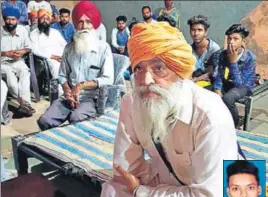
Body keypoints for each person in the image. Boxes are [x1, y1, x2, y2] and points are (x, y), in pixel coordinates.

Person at [101, 22, 238, 197]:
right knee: (112, 190)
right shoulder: (132, 102)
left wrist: (141, 191)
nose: (146, 80)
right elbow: (127, 170)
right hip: (165, 180)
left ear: (178, 70)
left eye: (159, 68)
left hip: (214, 187)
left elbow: (210, 194)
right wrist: (140, 186)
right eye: (139, 69)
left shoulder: (211, 114)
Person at [37, 1, 114, 131]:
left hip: (89, 98)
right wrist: (68, 91)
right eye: (80, 22)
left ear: (94, 24)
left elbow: (108, 78)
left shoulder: (103, 48)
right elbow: (62, 75)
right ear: (76, 24)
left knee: (76, 119)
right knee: (45, 120)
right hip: (68, 96)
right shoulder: (69, 48)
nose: (84, 26)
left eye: (88, 22)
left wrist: (80, 86)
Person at [213, 24, 256, 128]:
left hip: (243, 86)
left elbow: (239, 84)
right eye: (229, 38)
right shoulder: (222, 54)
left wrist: (233, 62)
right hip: (227, 82)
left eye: (235, 39)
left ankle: (234, 125)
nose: (231, 42)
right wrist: (217, 89)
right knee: (206, 93)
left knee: (228, 98)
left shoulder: (250, 58)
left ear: (243, 42)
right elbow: (218, 74)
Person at [1, 7, 35, 116]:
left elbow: (29, 47)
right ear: (4, 19)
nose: (10, 22)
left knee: (25, 72)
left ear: (17, 20)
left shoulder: (22, 30)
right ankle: (24, 103)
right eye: (7, 19)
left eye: (13, 19)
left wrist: (22, 51)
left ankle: (26, 105)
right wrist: (7, 53)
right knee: (12, 81)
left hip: (18, 61)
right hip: (3, 63)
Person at [30, 9, 67, 85]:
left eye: (47, 19)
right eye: (42, 18)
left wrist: (64, 56)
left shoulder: (55, 32)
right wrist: (52, 56)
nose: (44, 21)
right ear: (38, 20)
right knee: (56, 66)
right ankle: (59, 91)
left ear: (50, 21)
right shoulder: (34, 34)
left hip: (61, 57)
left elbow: (65, 45)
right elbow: (34, 49)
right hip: (47, 58)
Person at [187, 15, 220, 90]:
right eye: (193, 30)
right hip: (190, 83)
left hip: (209, 85)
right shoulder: (188, 48)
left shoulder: (214, 49)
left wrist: (195, 80)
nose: (196, 33)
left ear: (205, 32)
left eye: (199, 30)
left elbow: (212, 73)